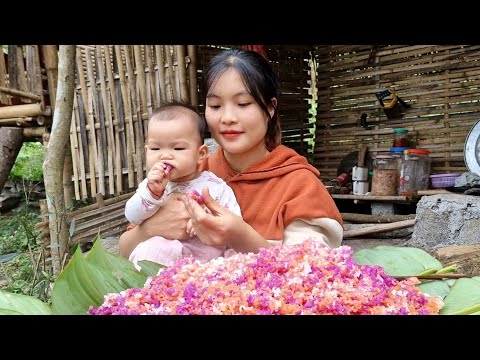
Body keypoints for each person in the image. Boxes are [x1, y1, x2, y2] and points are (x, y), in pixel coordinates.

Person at [119, 48, 343, 260]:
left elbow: (311, 269)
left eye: (243, 103)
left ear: (271, 108)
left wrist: (240, 236)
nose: (227, 118)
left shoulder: (298, 185)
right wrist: (150, 229)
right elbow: (125, 249)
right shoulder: (191, 174)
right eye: (215, 106)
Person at [124, 100, 241, 267]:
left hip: (204, 262)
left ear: (200, 154)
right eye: (156, 149)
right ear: (146, 151)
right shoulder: (149, 186)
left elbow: (234, 222)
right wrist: (152, 193)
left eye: (177, 149)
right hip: (163, 263)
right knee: (148, 250)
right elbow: (132, 216)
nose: (165, 156)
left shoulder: (213, 185)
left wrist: (207, 218)